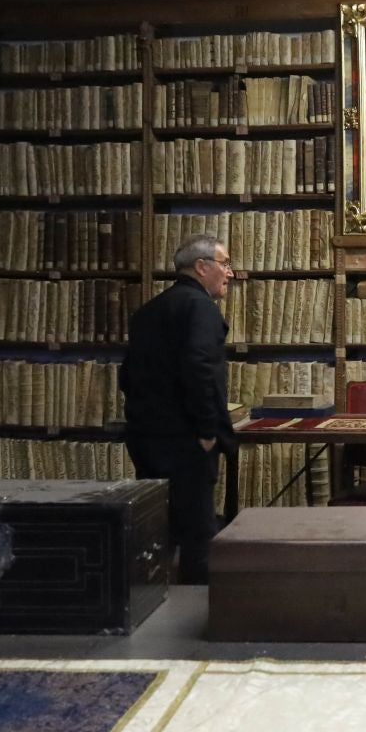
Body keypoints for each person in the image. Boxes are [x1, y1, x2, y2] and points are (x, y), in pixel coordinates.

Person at [119, 233, 235, 584]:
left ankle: (152, 597)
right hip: (186, 440)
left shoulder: (150, 310)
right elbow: (199, 368)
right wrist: (206, 431)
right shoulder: (199, 307)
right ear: (202, 267)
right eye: (225, 264)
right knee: (198, 529)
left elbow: (129, 374)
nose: (230, 273)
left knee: (157, 522)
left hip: (147, 435)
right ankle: (197, 613)